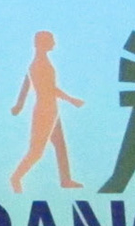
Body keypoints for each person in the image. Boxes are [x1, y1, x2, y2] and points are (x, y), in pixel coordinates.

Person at [9, 30, 83, 192]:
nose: (54, 43)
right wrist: (72, 100)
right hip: (45, 111)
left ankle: (65, 180)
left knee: (60, 145)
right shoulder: (39, 64)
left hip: (50, 110)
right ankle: (15, 178)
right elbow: (49, 88)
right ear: (42, 43)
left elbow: (26, 85)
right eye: (51, 40)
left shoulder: (40, 62)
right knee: (36, 151)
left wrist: (19, 105)